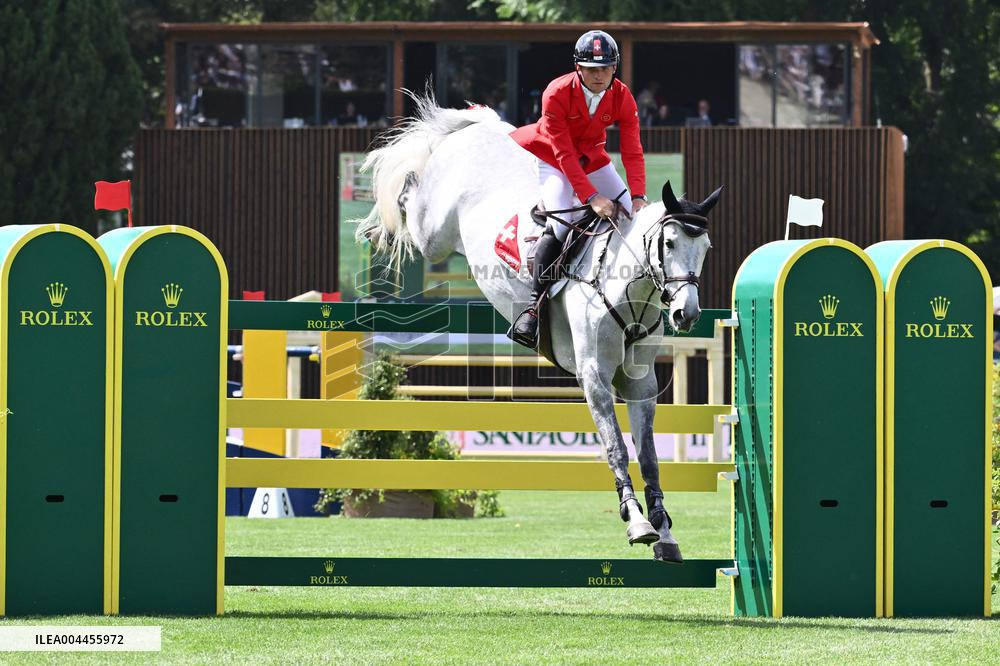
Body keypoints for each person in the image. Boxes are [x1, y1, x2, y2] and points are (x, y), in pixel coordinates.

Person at [508, 29, 647, 346]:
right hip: (553, 157)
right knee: (560, 226)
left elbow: (632, 150)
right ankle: (534, 307)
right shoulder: (555, 93)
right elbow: (564, 154)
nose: (599, 76)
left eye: (605, 68)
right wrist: (591, 197)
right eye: (591, 69)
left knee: (632, 217)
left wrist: (638, 196)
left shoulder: (622, 95)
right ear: (578, 68)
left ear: (615, 68)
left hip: (593, 158)